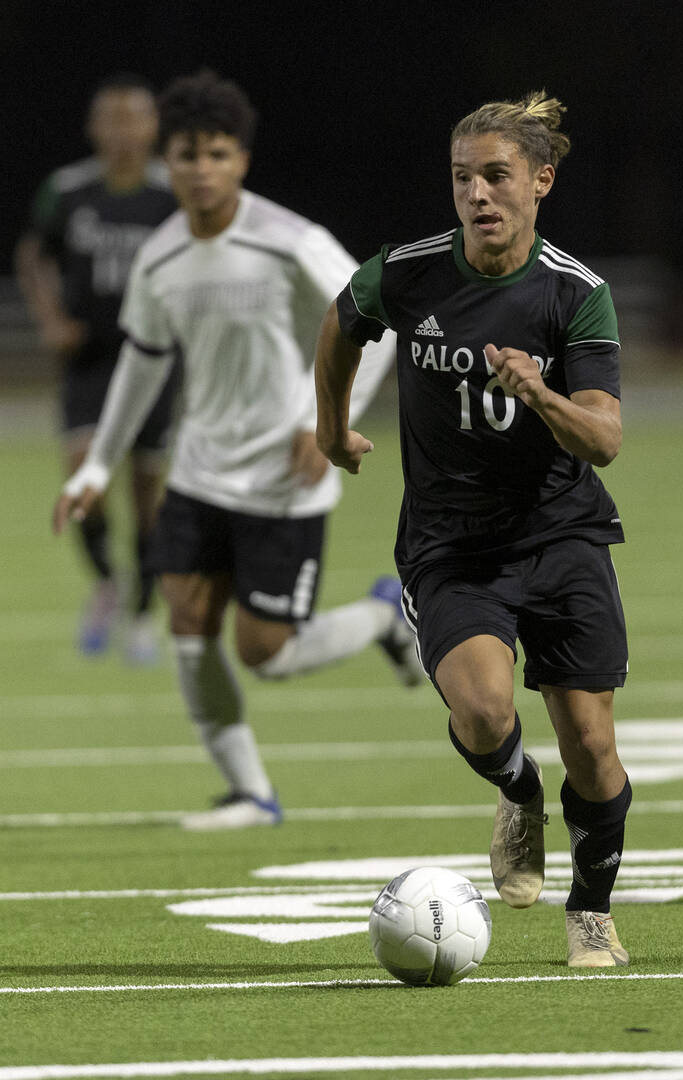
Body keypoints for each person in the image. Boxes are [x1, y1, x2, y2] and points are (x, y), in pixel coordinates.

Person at [314, 91, 633, 968]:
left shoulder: (576, 294)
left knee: (596, 748)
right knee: (487, 710)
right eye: (463, 179)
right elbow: (342, 324)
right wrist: (331, 424)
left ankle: (592, 911)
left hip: (562, 536)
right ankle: (517, 794)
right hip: (451, 546)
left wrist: (540, 394)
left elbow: (603, 438)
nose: (478, 195)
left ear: (541, 181)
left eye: (497, 177)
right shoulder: (409, 271)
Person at [53, 70, 420, 831]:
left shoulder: (290, 241)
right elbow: (142, 362)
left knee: (267, 653)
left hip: (286, 474)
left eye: (217, 153)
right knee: (188, 623)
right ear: (171, 159)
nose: (200, 169)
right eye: (187, 154)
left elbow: (371, 319)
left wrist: (325, 418)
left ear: (241, 161)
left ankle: (387, 617)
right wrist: (96, 464)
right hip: (199, 469)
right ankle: (251, 793)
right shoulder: (158, 258)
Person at [17, 73, 180, 664]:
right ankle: (108, 585)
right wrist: (50, 318)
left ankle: (141, 614)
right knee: (82, 482)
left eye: (133, 118)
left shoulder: (174, 192)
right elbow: (33, 253)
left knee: (146, 495)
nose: (122, 132)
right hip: (90, 359)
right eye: (110, 120)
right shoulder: (68, 191)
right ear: (93, 129)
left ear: (152, 126)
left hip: (156, 359)